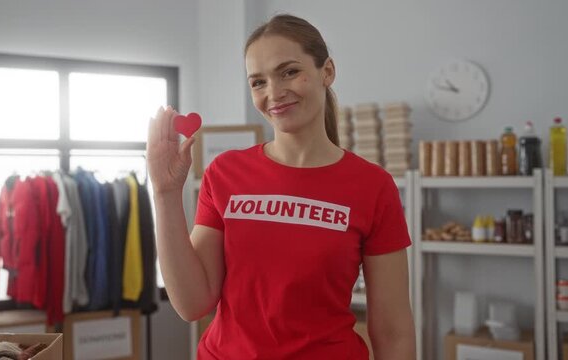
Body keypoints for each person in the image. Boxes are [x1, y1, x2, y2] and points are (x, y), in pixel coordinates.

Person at [147, 14, 416, 360]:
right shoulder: (225, 173)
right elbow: (192, 304)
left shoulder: (373, 186)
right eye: (258, 82)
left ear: (327, 72)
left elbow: (393, 330)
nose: (273, 92)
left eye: (289, 71)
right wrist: (165, 194)